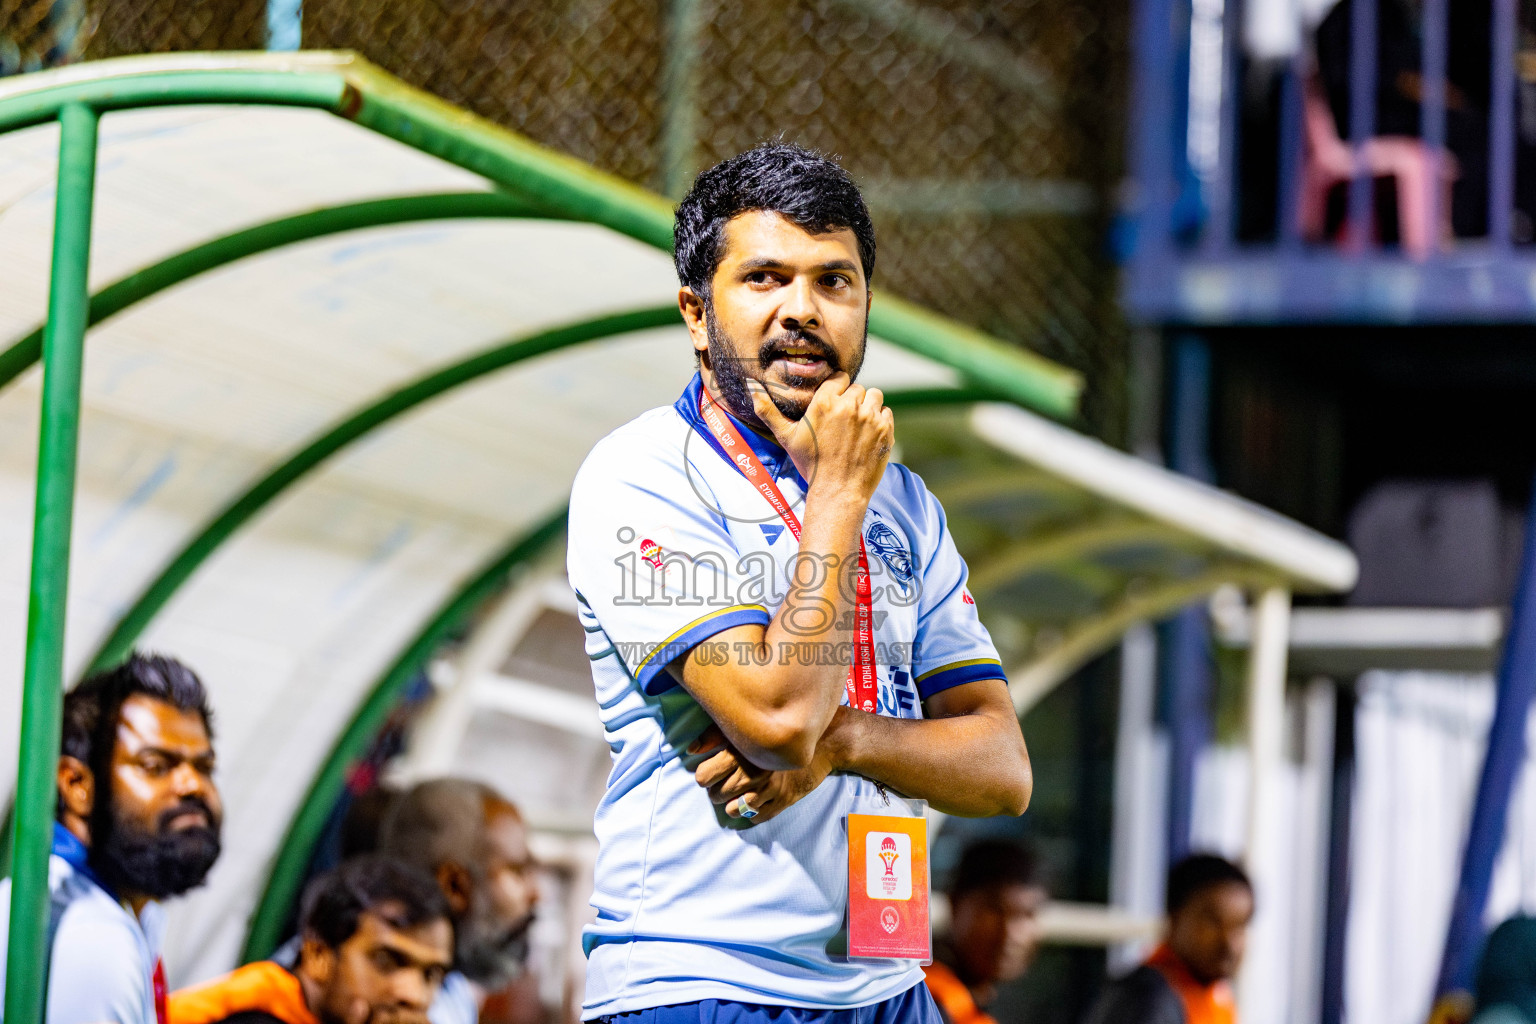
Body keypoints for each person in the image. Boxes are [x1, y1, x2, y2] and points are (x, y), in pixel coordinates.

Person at [567, 142, 1032, 1022]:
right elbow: (778, 722)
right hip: (704, 982)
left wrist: (847, 742)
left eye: (834, 282)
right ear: (696, 313)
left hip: (889, 985)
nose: (803, 311)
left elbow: (1002, 768)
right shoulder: (641, 476)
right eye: (765, 279)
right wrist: (837, 499)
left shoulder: (905, 501)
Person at [0, 652, 223, 1024]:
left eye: (205, 767)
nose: (192, 785)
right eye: (156, 766)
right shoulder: (90, 938)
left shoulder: (115, 914)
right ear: (76, 784)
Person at [168, 855, 453, 1024]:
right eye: (385, 961)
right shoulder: (255, 1013)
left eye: (431, 975)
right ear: (317, 955)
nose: (413, 995)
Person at [378, 779, 539, 1024]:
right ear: (454, 886)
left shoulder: (455, 993)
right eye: (517, 871)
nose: (536, 893)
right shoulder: (370, 1001)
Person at [1083, 855, 1254, 1024]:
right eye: (1212, 922)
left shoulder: (1214, 997)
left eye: (1240, 925)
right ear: (1174, 918)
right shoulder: (1148, 1000)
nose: (1228, 943)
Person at [923, 839, 1048, 1024]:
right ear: (955, 905)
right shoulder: (930, 999)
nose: (1009, 934)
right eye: (994, 910)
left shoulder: (969, 1003)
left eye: (1026, 914)